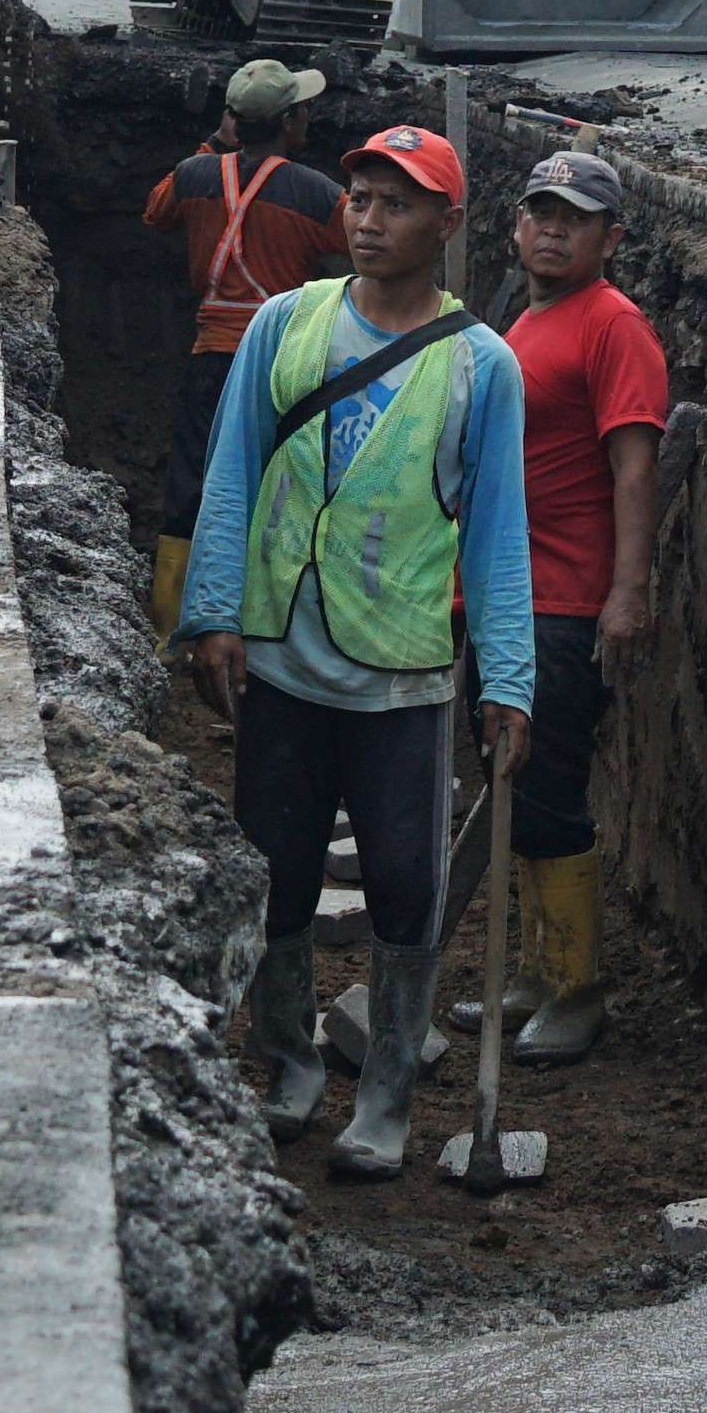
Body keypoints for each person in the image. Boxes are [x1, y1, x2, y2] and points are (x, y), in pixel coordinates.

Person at [181, 123, 533, 1182]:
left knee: (401, 884)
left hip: (403, 672)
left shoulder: (481, 366)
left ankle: (383, 1091)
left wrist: (507, 679)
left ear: (447, 222)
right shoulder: (286, 327)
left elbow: (497, 534)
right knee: (276, 867)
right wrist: (213, 611)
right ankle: (286, 1057)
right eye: (359, 196)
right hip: (284, 653)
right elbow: (231, 470)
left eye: (397, 201)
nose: (368, 217)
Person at [495, 151, 669, 1065]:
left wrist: (626, 595)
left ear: (611, 237)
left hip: (565, 601)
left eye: (575, 216)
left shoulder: (614, 326)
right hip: (508, 592)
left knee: (551, 788)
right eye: (541, 212)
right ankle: (535, 967)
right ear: (516, 225)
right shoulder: (528, 319)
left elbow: (634, 465)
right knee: (514, 782)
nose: (553, 228)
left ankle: (577, 988)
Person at [138, 58, 342, 618]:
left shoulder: (195, 175)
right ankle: (265, 617)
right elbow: (364, 242)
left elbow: (156, 211)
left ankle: (171, 624)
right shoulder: (316, 193)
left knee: (193, 482)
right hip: (285, 365)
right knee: (282, 484)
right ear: (291, 124)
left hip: (212, 359)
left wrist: (213, 146)